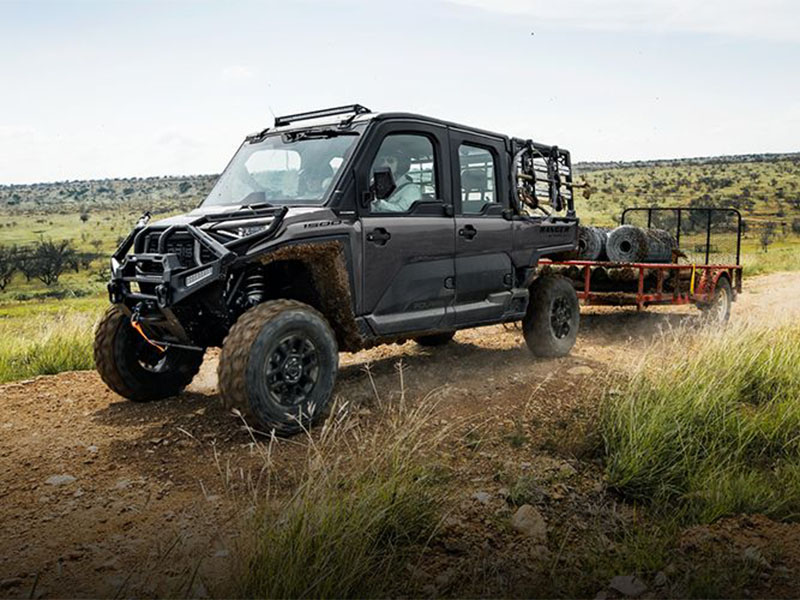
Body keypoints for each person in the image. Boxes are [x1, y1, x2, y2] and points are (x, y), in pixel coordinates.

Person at [370, 147, 422, 213]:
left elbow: (403, 212)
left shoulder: (411, 189)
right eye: (382, 161)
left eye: (390, 161)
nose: (384, 164)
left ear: (400, 165)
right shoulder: (377, 185)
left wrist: (378, 202)